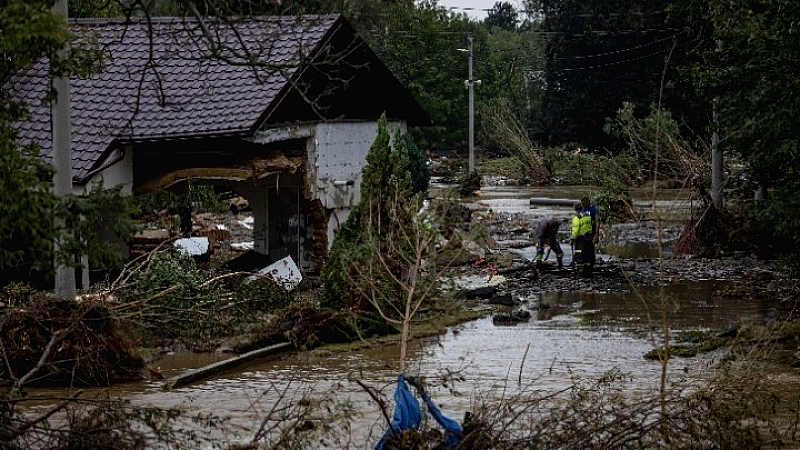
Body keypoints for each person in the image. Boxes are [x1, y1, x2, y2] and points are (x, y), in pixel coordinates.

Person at [571, 202, 594, 277]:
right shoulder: (588, 215)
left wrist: (572, 238)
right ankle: (588, 271)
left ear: (575, 209)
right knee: (587, 254)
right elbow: (591, 225)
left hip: (580, 239)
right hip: (588, 237)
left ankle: (580, 272)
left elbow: (575, 229)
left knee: (579, 255)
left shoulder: (577, 217)